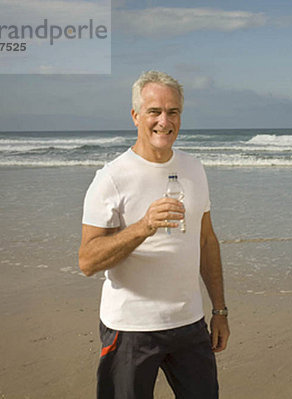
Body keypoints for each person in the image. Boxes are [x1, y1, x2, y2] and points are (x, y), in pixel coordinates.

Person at [78, 70, 229, 399]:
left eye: (173, 112)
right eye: (154, 112)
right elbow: (88, 261)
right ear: (135, 116)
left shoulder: (194, 168)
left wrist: (219, 311)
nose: (164, 120)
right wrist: (144, 227)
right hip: (131, 329)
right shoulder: (111, 178)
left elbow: (206, 241)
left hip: (189, 324)